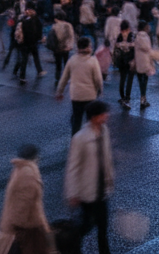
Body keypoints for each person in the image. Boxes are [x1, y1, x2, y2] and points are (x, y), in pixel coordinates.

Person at [65, 100, 114, 254]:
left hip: (102, 188)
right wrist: (73, 193)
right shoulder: (80, 138)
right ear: (94, 117)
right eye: (103, 113)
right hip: (87, 190)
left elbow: (106, 157)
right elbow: (73, 167)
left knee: (103, 226)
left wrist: (110, 177)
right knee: (86, 225)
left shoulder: (104, 130)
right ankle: (70, 246)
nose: (107, 116)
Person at [0, 143, 53, 254]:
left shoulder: (19, 169)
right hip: (28, 230)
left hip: (16, 228)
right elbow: (23, 209)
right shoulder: (29, 174)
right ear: (35, 157)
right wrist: (42, 228)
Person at [56, 37, 104, 135]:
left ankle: (75, 140)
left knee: (76, 119)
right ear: (88, 47)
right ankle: (89, 141)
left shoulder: (72, 60)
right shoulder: (93, 61)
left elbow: (64, 78)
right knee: (90, 121)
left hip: (76, 95)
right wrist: (100, 90)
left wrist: (59, 92)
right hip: (90, 95)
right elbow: (98, 79)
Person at [132, 21, 158, 109]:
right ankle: (143, 98)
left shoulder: (137, 36)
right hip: (146, 60)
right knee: (145, 80)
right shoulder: (146, 37)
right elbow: (147, 48)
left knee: (140, 80)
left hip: (138, 60)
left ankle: (142, 97)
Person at [113, 21, 136, 109]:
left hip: (121, 61)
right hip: (130, 60)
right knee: (129, 80)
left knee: (122, 79)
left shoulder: (119, 36)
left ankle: (122, 97)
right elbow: (134, 47)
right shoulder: (131, 35)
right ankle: (127, 98)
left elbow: (116, 48)